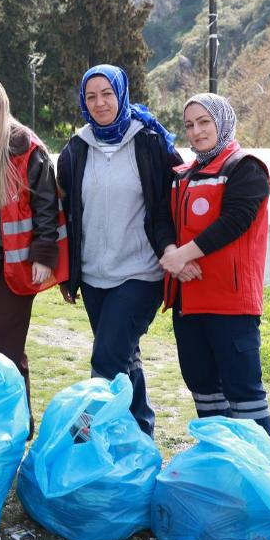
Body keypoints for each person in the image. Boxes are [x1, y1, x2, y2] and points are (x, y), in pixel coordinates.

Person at [56, 64, 182, 437]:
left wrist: (178, 252)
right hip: (93, 275)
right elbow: (67, 215)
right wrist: (67, 273)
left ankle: (82, 436)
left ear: (122, 94)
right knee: (125, 356)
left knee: (106, 358)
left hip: (140, 272)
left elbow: (174, 200)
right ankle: (140, 432)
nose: (100, 103)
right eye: (91, 96)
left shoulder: (151, 143)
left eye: (107, 94)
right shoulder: (75, 150)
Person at [159, 93, 270, 437]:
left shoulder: (245, 167)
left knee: (243, 392)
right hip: (189, 301)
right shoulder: (182, 175)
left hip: (230, 303)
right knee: (203, 387)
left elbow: (235, 221)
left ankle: (260, 464)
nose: (196, 131)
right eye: (189, 125)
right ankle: (219, 458)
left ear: (222, 122)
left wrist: (184, 254)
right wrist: (173, 255)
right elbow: (162, 220)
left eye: (204, 122)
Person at [0, 74, 67, 430]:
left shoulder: (25, 146)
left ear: (0, 101)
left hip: (17, 262)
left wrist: (44, 256)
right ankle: (21, 424)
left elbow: (46, 203)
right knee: (8, 346)